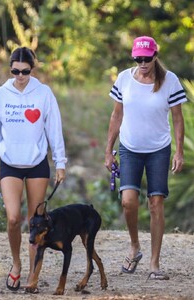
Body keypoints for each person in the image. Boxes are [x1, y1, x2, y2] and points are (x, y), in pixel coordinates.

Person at [0, 47, 67, 292]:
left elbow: (54, 129)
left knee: (35, 223)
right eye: (15, 71)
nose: (20, 76)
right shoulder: (1, 94)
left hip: (37, 165)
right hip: (10, 163)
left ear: (33, 68)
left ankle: (33, 274)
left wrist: (60, 162)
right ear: (10, 69)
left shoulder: (44, 93)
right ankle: (17, 265)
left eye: (25, 71)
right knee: (12, 218)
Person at [104, 36, 187, 280]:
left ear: (155, 56)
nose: (142, 62)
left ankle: (154, 263)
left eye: (146, 58)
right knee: (128, 201)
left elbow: (178, 119)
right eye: (138, 58)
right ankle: (134, 246)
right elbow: (116, 116)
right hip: (129, 147)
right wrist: (108, 149)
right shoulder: (124, 79)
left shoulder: (169, 80)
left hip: (158, 150)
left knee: (155, 203)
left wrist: (179, 151)